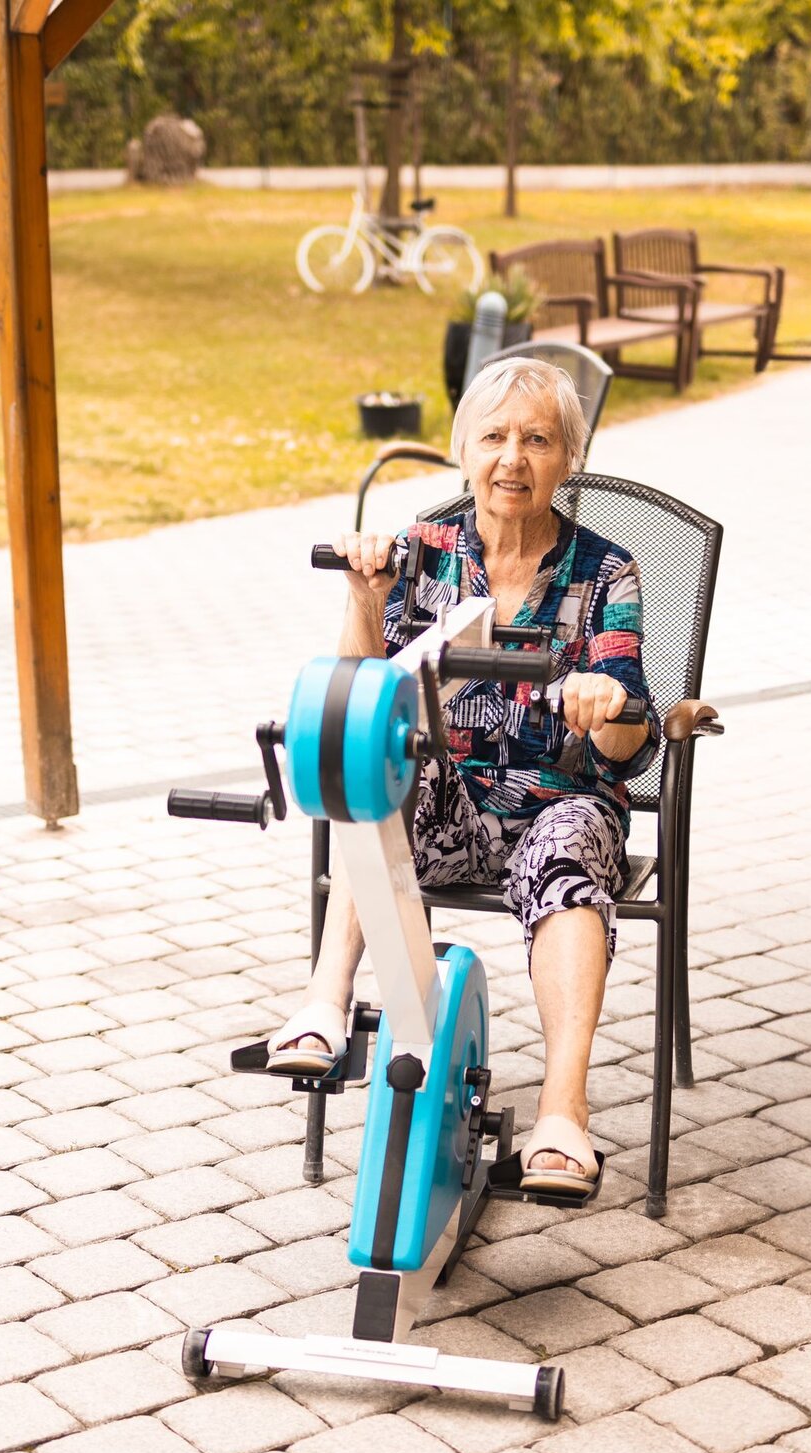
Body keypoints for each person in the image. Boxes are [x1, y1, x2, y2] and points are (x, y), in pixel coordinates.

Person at [269, 357, 659, 1195]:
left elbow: (631, 743)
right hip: (443, 808)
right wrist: (364, 595)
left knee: (568, 850)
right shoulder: (421, 553)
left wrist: (607, 704)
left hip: (560, 804)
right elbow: (361, 698)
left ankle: (563, 1116)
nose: (512, 459)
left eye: (537, 440)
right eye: (493, 437)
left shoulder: (606, 570)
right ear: (462, 450)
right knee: (372, 778)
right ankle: (324, 1008)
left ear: (569, 459)